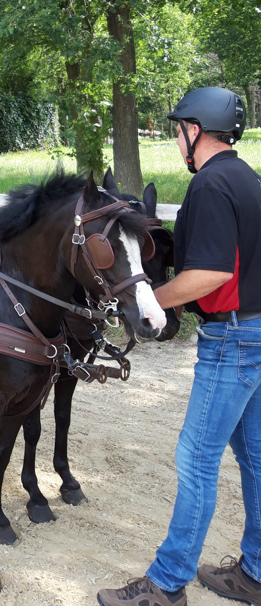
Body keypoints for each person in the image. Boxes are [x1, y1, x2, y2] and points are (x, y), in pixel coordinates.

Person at [97, 87, 261, 606]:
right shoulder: (247, 178)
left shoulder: (211, 185)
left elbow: (211, 273)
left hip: (231, 339)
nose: (175, 141)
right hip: (256, 331)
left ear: (196, 129)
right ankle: (256, 573)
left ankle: (166, 585)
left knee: (195, 457)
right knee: (254, 456)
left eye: (178, 130)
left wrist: (153, 301)